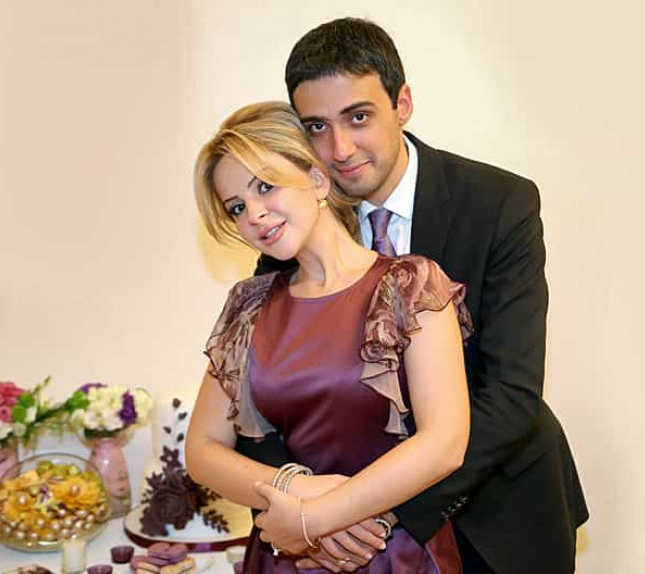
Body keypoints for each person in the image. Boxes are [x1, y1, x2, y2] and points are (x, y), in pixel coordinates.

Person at [235, 17, 589, 574]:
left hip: (498, 512)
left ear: (402, 103)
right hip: (342, 531)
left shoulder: (499, 204)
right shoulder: (292, 225)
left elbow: (511, 394)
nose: (340, 148)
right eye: (317, 127)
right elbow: (261, 395)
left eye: (358, 117)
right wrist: (303, 499)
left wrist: (368, 512)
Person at [186, 101, 474, 573]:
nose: (254, 214)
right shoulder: (248, 306)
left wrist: (316, 519)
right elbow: (202, 451)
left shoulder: (410, 284)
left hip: (392, 553)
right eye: (237, 207)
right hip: (287, 554)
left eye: (265, 186)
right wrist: (296, 491)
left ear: (318, 180)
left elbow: (445, 442)